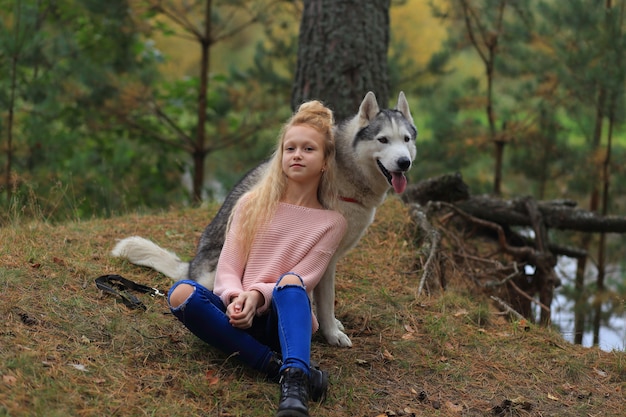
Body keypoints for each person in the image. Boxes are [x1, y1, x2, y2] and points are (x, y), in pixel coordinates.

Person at [167, 100, 347, 417]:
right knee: (181, 293)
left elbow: (307, 277)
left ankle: (293, 387)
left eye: (308, 149)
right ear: (280, 157)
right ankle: (276, 367)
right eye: (289, 148)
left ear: (325, 162)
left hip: (283, 322)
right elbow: (228, 268)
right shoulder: (252, 203)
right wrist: (236, 298)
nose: (297, 155)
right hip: (237, 312)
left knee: (291, 283)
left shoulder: (331, 222)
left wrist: (255, 295)